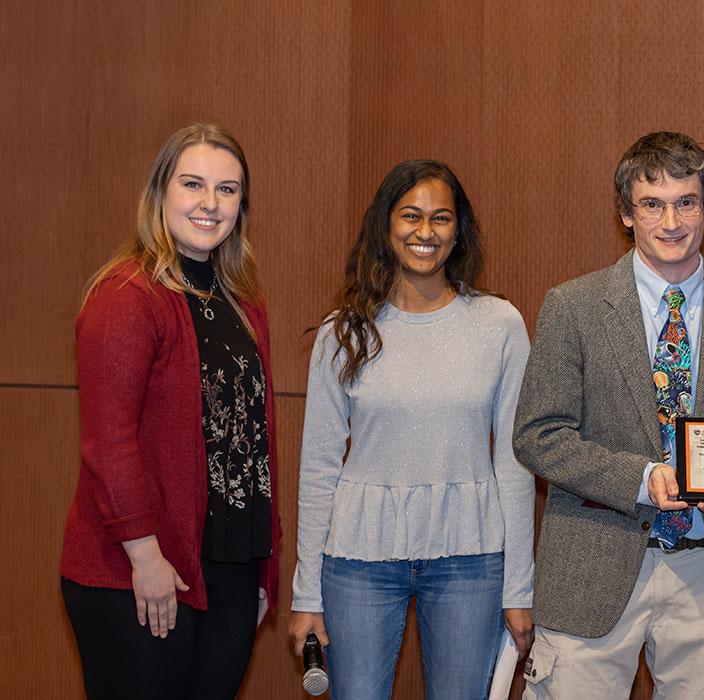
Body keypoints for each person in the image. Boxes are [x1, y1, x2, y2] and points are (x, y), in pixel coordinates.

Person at [513, 131, 704, 698]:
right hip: (592, 563)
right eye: (651, 204)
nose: (671, 220)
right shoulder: (573, 307)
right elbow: (538, 435)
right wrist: (639, 477)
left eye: (686, 202)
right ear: (626, 215)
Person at [288, 160, 535, 699]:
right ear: (386, 224)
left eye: (441, 218)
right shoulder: (343, 332)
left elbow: (514, 466)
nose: (426, 232)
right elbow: (319, 468)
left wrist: (519, 585)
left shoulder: (500, 326)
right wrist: (306, 594)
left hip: (470, 560)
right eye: (411, 216)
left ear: (458, 229)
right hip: (357, 560)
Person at [60, 123, 282, 700]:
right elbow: (109, 442)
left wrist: (260, 569)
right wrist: (145, 555)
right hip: (142, 570)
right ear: (160, 193)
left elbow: (252, 441)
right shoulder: (126, 295)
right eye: (193, 184)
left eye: (228, 190)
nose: (210, 204)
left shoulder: (241, 300)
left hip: (228, 569)